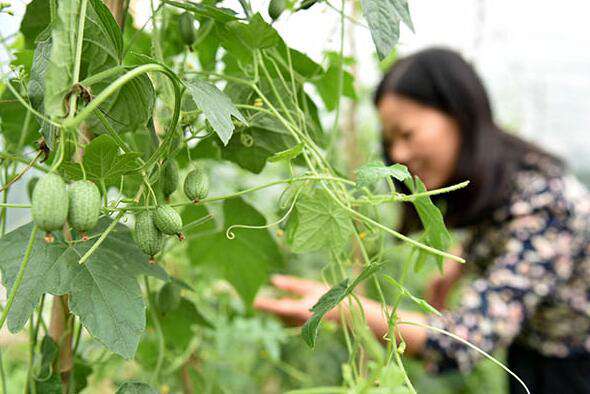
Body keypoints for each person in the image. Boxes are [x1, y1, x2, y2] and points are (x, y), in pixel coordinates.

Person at [255, 47, 590, 394]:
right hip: (534, 354)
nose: (397, 154)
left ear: (458, 114)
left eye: (407, 134)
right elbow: (513, 236)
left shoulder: (549, 205)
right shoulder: (508, 180)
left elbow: (464, 340)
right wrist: (464, 258)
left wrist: (344, 309)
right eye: (389, 141)